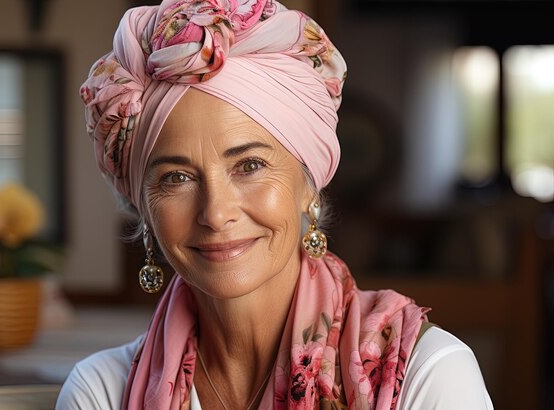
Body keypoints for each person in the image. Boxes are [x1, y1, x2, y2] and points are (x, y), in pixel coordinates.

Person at [57, 1, 493, 409]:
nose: (216, 212)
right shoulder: (102, 391)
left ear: (309, 185)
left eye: (249, 165)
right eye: (176, 178)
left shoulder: (427, 374)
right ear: (143, 207)